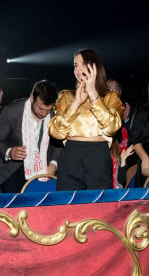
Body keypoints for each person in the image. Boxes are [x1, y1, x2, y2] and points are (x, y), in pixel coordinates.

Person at [48, 48, 123, 191]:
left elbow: (112, 127)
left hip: (99, 156)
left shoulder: (110, 97)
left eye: (82, 64)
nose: (78, 69)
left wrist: (94, 95)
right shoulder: (66, 96)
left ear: (94, 66)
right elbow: (56, 132)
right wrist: (75, 103)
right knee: (69, 208)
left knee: (98, 209)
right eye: (76, 65)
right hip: (71, 155)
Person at [0, 80, 61, 193]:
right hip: (14, 171)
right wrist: (9, 152)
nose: (44, 114)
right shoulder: (11, 111)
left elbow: (59, 143)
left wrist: (53, 164)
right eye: (40, 108)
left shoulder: (55, 114)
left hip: (45, 170)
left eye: (48, 110)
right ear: (31, 98)